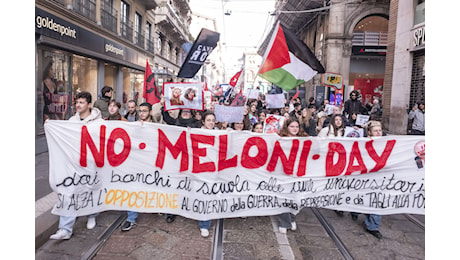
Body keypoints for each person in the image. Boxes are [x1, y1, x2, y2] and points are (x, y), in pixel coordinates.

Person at [49, 91, 102, 240]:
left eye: (82, 102)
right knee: (69, 192)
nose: (78, 105)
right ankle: (65, 229)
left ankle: (91, 214)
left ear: (89, 104)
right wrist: (51, 125)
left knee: (90, 189)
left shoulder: (98, 122)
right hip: (73, 163)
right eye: (77, 102)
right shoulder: (72, 120)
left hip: (91, 162)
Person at [121, 102, 153, 232]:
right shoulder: (132, 126)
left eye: (144, 111)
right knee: (132, 189)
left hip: (152, 164)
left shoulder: (159, 127)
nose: (141, 113)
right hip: (136, 163)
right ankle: (131, 218)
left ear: (150, 112)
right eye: (140, 111)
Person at [350, 121, 385, 239]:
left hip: (379, 177)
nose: (378, 133)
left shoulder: (387, 143)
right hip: (364, 176)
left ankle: (373, 226)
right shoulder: (362, 143)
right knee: (361, 197)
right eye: (375, 131)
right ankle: (354, 210)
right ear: (369, 132)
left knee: (377, 200)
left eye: (380, 130)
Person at [276, 118, 307, 234]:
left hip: (298, 174)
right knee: (284, 198)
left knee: (296, 199)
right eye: (292, 126)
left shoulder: (304, 139)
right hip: (283, 173)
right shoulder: (281, 139)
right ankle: (284, 222)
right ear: (287, 127)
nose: (295, 129)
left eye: (297, 127)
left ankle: (292, 218)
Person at [198, 111, 219, 237]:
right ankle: (204, 224)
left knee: (212, 196)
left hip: (216, 169)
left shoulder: (220, 133)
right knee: (204, 196)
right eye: (208, 120)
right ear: (203, 122)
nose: (211, 123)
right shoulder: (197, 133)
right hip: (201, 169)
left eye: (213, 120)